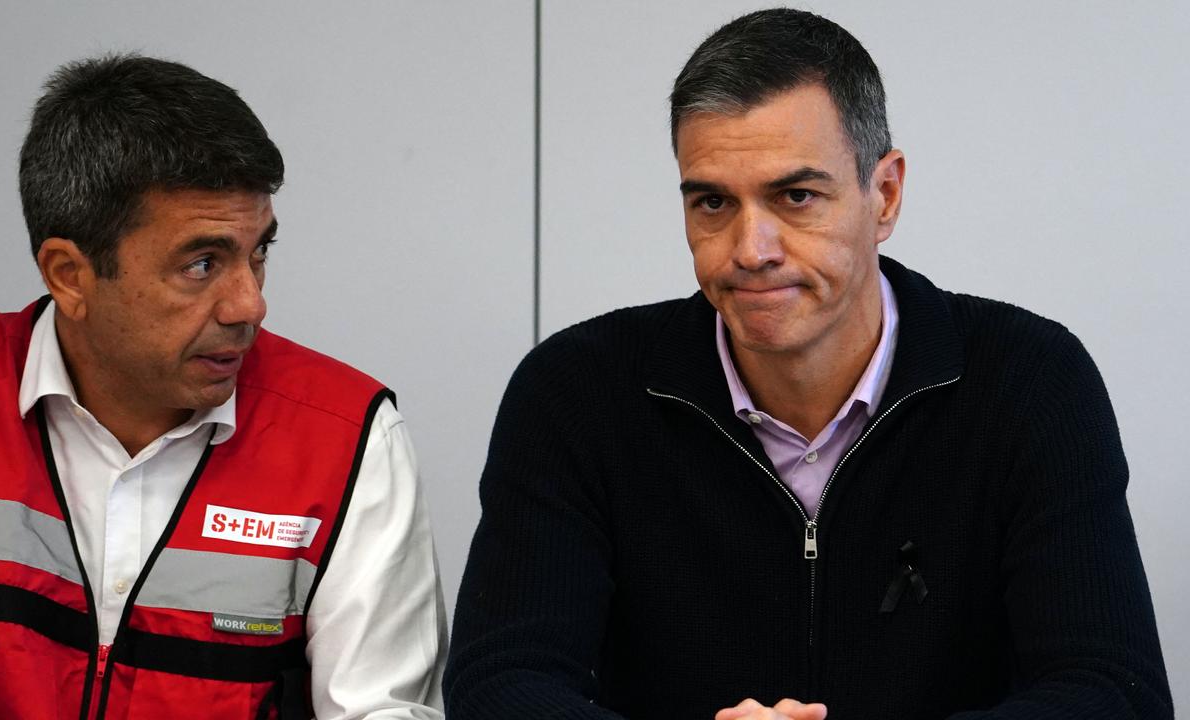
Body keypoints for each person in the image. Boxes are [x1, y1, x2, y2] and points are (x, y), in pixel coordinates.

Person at [443, 8, 1171, 720]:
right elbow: (500, 684)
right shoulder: (576, 392)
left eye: (796, 196)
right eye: (712, 203)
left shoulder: (1028, 380)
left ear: (883, 196)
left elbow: (1109, 690)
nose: (751, 248)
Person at [0, 55, 446, 720]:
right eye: (202, 264)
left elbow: (381, 710)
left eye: (259, 254)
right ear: (69, 275)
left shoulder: (347, 437)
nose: (249, 306)